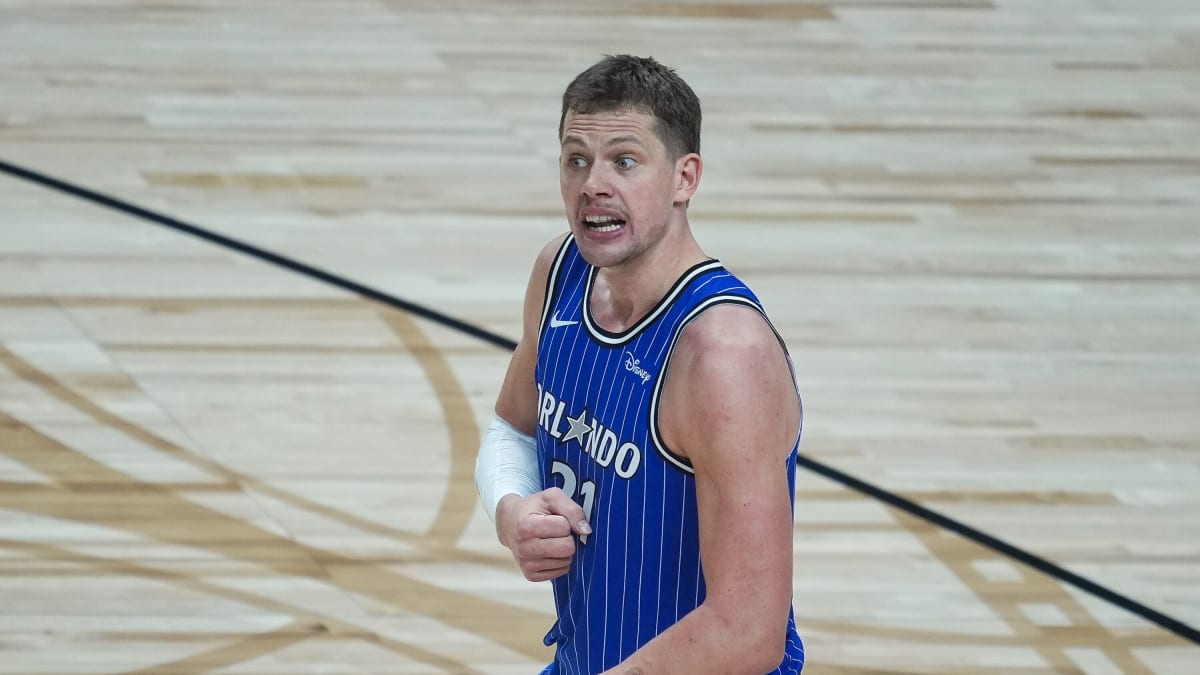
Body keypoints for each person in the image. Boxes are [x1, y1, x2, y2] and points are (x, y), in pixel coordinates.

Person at [475, 54, 805, 674]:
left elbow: (748, 631)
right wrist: (511, 509)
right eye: (577, 160)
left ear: (685, 178)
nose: (593, 184)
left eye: (624, 161)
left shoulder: (722, 356)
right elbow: (510, 428)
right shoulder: (560, 273)